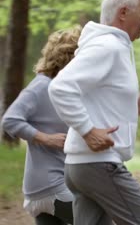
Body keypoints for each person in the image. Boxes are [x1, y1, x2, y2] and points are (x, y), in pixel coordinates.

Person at [48, 0, 140, 225]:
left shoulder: (113, 47)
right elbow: (60, 87)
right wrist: (88, 131)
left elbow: (97, 100)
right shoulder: (107, 47)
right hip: (98, 166)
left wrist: (134, 108)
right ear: (123, 13)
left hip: (83, 168)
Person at [1, 26, 82, 225]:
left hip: (45, 188)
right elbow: (10, 119)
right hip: (51, 187)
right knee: (99, 220)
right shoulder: (42, 85)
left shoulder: (65, 89)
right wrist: (45, 138)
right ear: (70, 57)